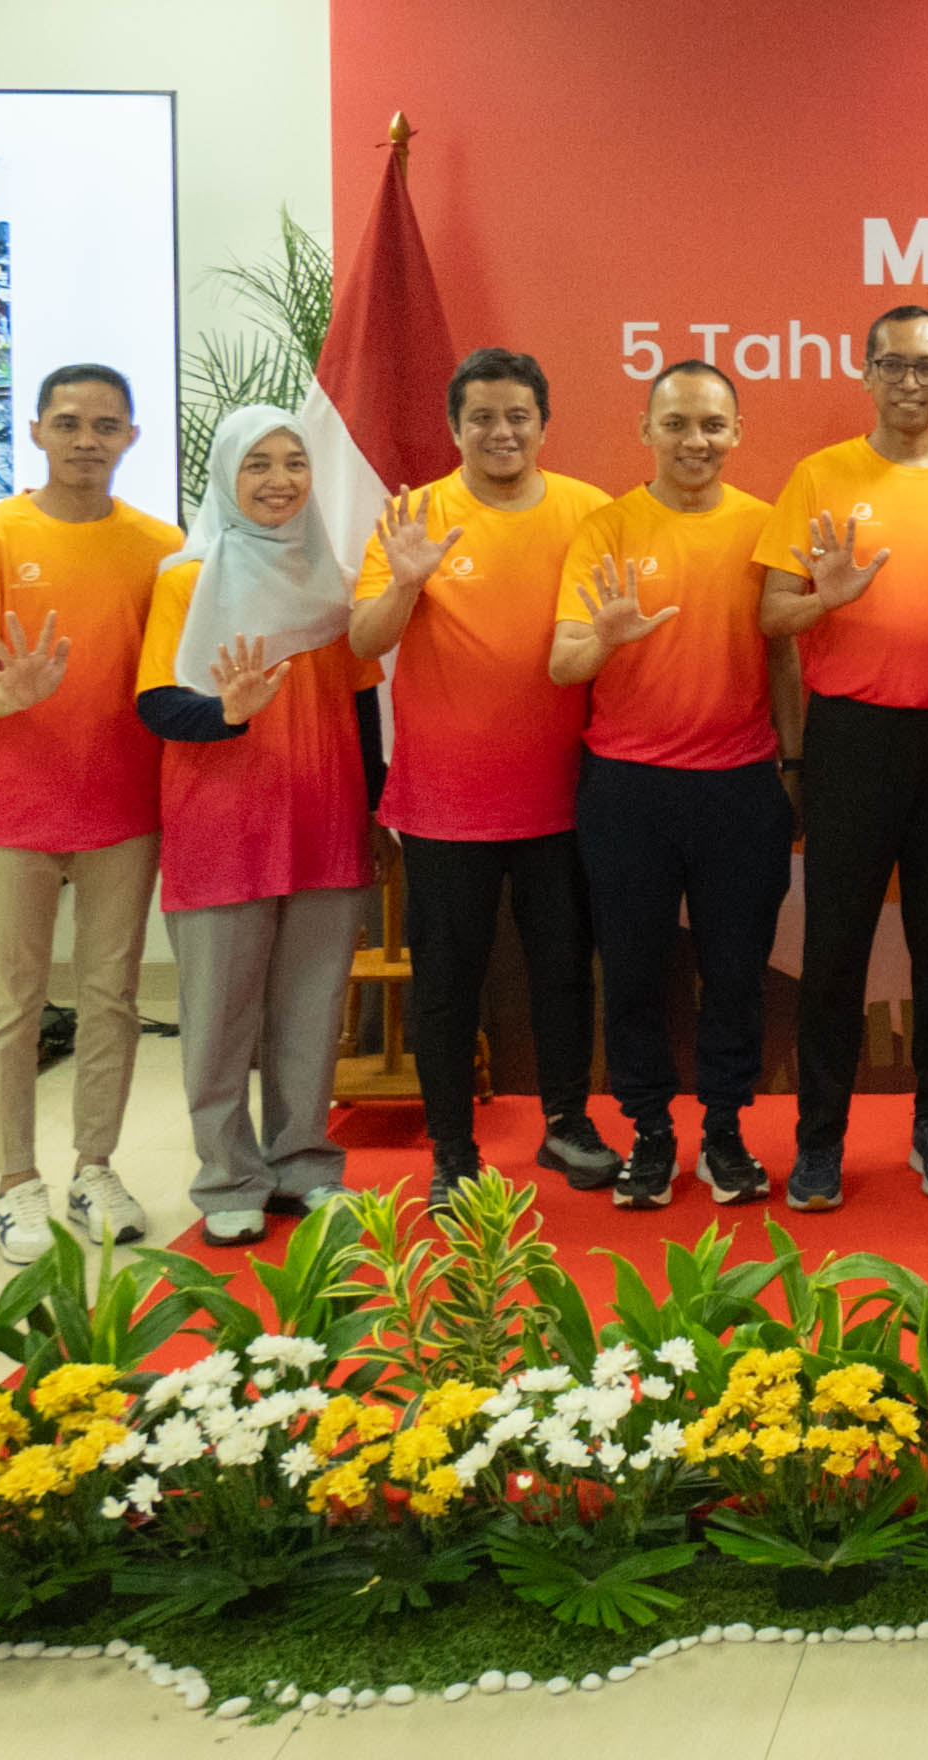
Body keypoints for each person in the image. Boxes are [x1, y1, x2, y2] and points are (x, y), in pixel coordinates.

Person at [348, 346, 620, 1194]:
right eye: (482, 418)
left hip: (564, 795)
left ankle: (567, 1125)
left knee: (564, 972)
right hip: (445, 802)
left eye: (517, 417)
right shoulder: (417, 515)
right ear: (453, 426)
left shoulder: (591, 510)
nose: (501, 432)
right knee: (447, 984)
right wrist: (406, 583)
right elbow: (364, 639)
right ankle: (453, 1153)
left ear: (544, 424)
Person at [757, 303, 928, 1213]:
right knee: (834, 947)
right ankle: (820, 1139)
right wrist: (823, 600)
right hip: (852, 739)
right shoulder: (819, 476)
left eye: (927, 366)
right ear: (865, 374)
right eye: (893, 365)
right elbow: (772, 616)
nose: (910, 381)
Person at [0, 364, 181, 1261]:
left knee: (111, 994)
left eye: (106, 426)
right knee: (13, 995)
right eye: (69, 422)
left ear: (130, 438)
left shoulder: (162, 546)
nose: (86, 440)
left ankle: (94, 1169)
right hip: (12, 807)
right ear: (36, 430)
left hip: (124, 802)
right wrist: (6, 695)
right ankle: (15, 1184)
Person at [556, 362, 802, 1212]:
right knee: (634, 976)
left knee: (737, 976)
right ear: (645, 430)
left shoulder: (766, 527)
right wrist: (606, 638)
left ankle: (726, 1131)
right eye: (676, 424)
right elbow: (563, 662)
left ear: (737, 432)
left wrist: (794, 766)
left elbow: (782, 655)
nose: (695, 441)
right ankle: (651, 1134)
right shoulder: (606, 528)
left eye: (711, 425)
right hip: (628, 790)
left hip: (740, 788)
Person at [136, 409, 381, 1247]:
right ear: (226, 478)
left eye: (294, 462)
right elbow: (157, 703)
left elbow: (361, 706)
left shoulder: (334, 583)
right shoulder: (186, 580)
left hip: (323, 821)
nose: (280, 480)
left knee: (311, 1011)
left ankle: (305, 1165)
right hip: (222, 826)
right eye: (258, 465)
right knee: (218, 1018)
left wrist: (374, 812)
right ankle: (228, 1178)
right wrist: (227, 713)